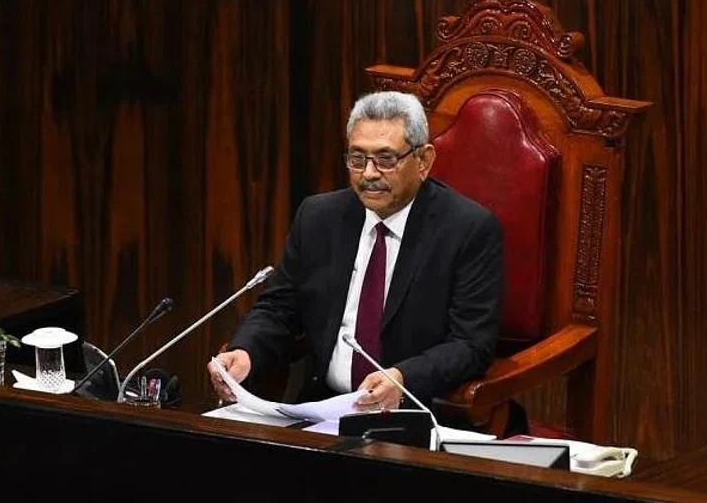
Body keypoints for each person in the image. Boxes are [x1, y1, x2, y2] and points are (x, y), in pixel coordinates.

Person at [208, 91, 503, 414]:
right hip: (320, 409)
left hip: (413, 414)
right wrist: (246, 351)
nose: (369, 174)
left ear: (423, 161)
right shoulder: (319, 218)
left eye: (386, 159)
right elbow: (279, 308)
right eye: (357, 158)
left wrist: (404, 378)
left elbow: (471, 344)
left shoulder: (467, 230)